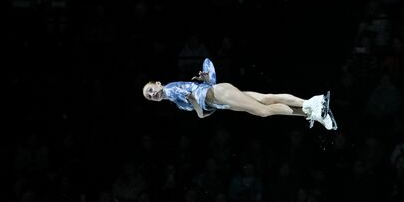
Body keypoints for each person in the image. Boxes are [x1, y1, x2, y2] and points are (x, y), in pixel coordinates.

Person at [143, 58, 337, 130]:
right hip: (222, 97)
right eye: (149, 97)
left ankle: (312, 109)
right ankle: (314, 104)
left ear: (157, 83)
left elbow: (197, 102)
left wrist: (199, 108)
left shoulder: (171, 90)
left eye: (151, 90)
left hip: (221, 96)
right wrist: (207, 80)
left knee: (263, 111)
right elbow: (207, 64)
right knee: (267, 99)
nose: (153, 95)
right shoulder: (174, 98)